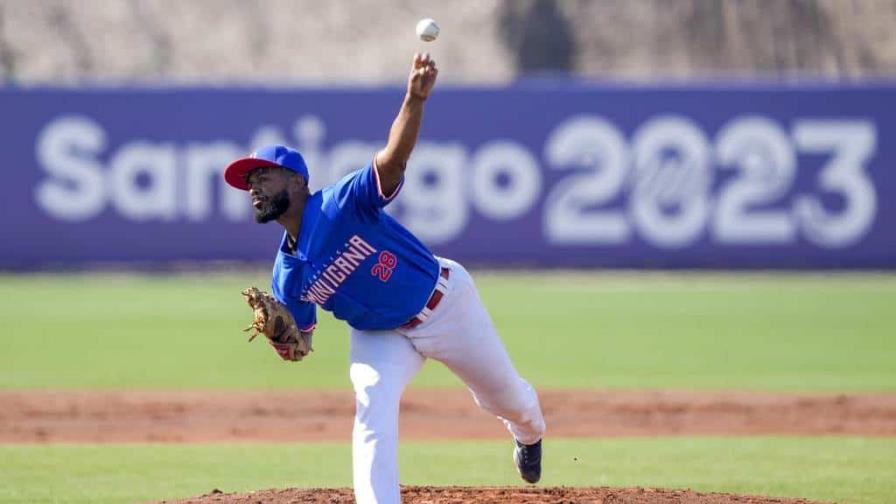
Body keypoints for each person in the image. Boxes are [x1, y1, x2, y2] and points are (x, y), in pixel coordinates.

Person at [223, 52, 546, 504]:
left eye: (263, 176)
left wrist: (414, 99)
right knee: (372, 401)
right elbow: (301, 344)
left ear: (297, 182)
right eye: (249, 182)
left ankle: (528, 434)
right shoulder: (285, 275)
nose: (253, 188)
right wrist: (284, 341)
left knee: (507, 399)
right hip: (379, 335)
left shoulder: (338, 205)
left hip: (445, 304)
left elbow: (392, 161)